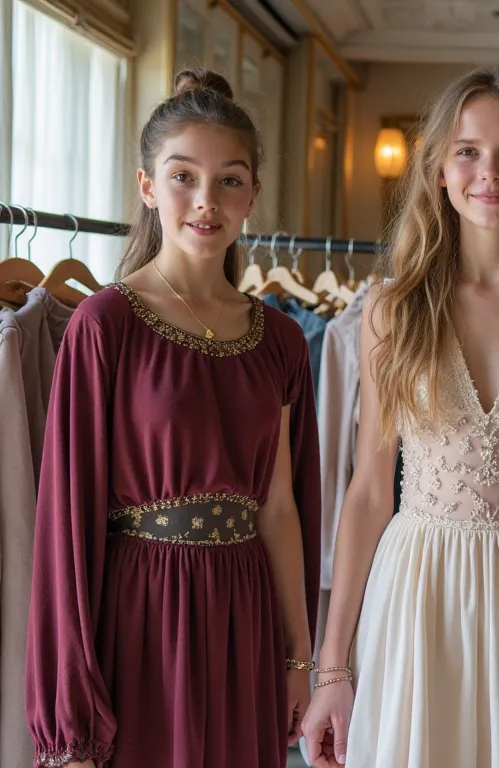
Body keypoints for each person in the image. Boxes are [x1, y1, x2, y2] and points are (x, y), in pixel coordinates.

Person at [301, 65, 499, 767]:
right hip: (417, 592)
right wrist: (331, 667)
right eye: (468, 151)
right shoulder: (392, 310)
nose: (491, 172)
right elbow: (366, 490)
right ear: (440, 172)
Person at [24, 68, 321, 768]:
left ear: (252, 195)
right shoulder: (104, 324)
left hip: (245, 612)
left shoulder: (279, 338)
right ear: (148, 187)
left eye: (229, 179)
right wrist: (70, 710)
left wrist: (299, 656)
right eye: (183, 176)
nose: (205, 201)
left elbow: (279, 507)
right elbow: (67, 520)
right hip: (142, 611)